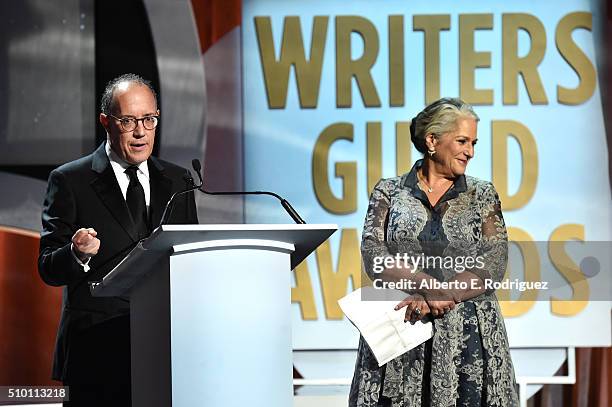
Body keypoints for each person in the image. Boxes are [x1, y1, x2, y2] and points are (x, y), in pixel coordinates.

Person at [38, 73, 198, 406]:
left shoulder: (178, 179)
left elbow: (190, 258)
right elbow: (48, 268)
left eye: (149, 119)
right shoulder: (70, 180)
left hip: (164, 351)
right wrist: (76, 253)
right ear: (105, 122)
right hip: (95, 356)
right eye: (128, 121)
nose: (141, 132)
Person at [349, 97, 519, 406]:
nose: (470, 151)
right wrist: (425, 285)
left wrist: (446, 295)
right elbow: (373, 254)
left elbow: (495, 259)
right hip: (403, 331)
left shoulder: (481, 194)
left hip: (469, 336)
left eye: (473, 143)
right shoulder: (389, 191)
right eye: (462, 141)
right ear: (432, 140)